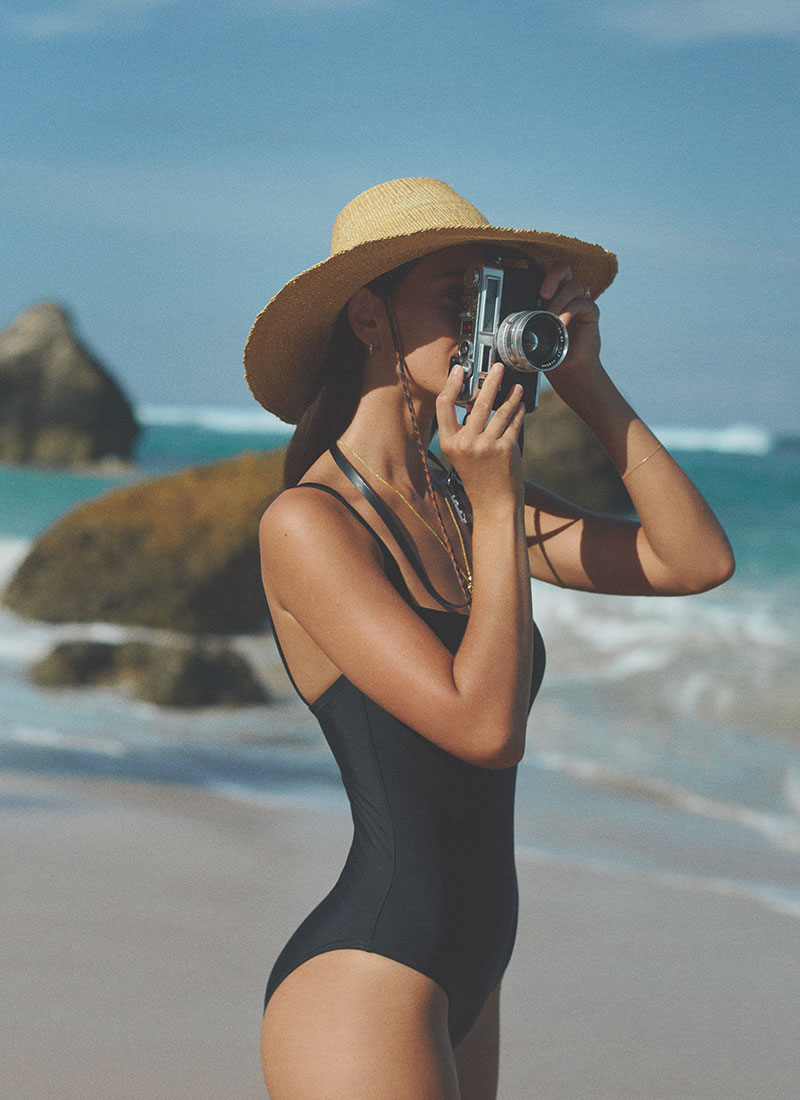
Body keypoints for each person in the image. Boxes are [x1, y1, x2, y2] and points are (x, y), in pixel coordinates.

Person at [244, 177, 734, 1100]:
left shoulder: (457, 502)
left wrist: (583, 377)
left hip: (471, 976)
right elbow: (483, 727)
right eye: (454, 298)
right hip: (366, 981)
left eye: (493, 298)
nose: (480, 322)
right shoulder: (308, 525)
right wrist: (500, 497)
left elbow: (693, 559)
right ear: (367, 317)